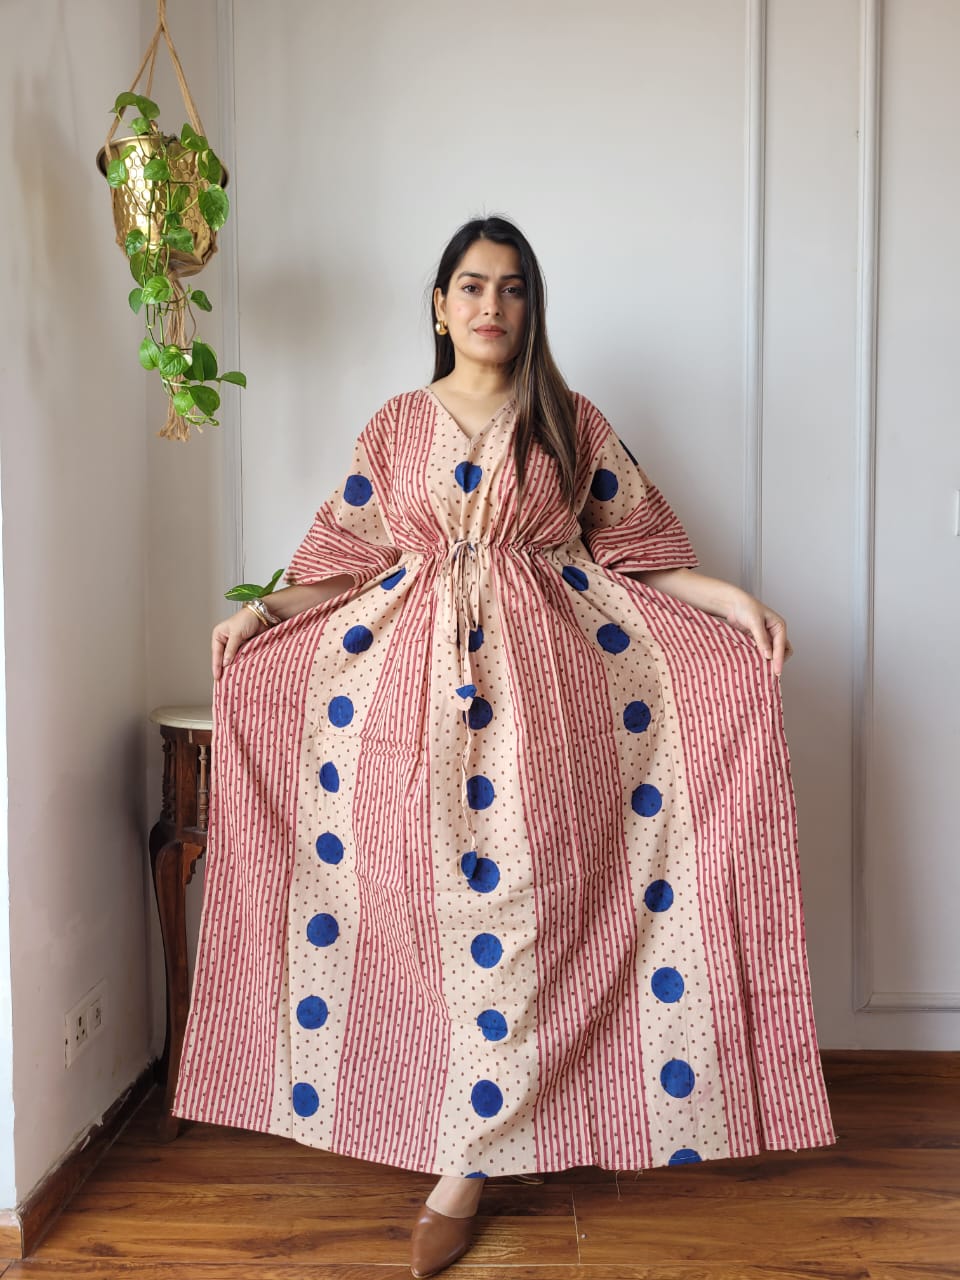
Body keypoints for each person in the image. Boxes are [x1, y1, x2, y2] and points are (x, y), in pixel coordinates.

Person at [173, 215, 836, 1278]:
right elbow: (345, 559)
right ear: (440, 306)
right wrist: (257, 614)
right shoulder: (396, 426)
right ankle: (454, 1123)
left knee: (538, 910)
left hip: (557, 700)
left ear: (531, 307)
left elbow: (638, 551)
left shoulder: (569, 420)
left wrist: (729, 600)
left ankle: (466, 1167)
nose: (493, 304)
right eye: (473, 286)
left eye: (514, 287)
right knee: (426, 907)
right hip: (411, 705)